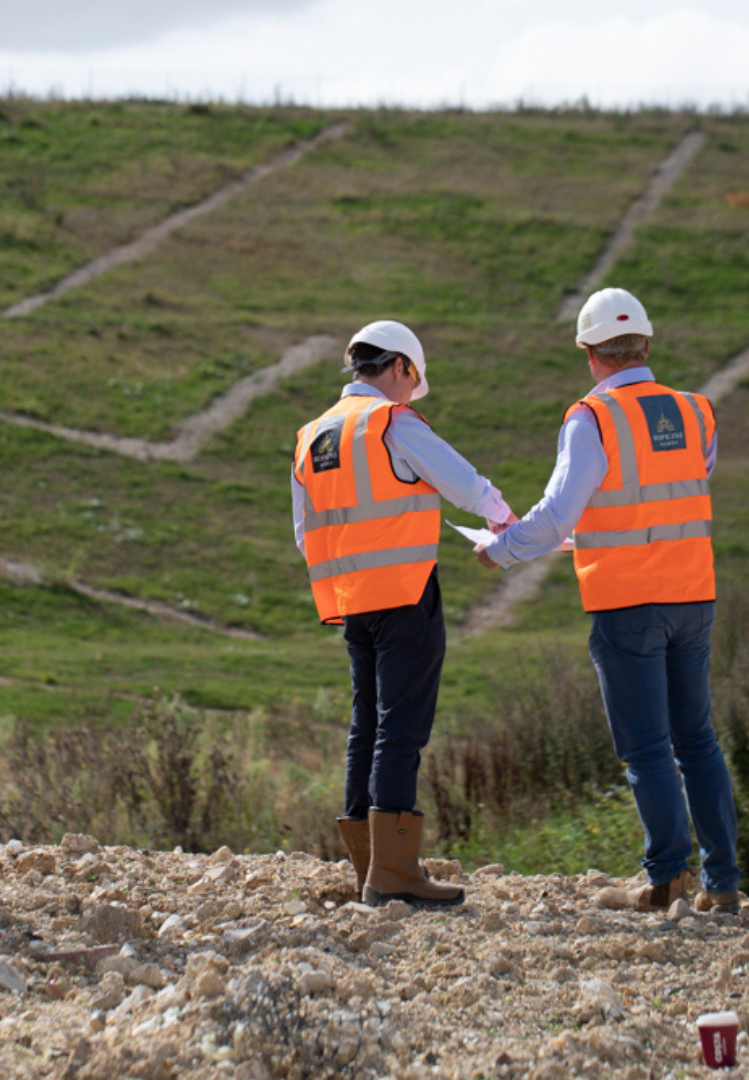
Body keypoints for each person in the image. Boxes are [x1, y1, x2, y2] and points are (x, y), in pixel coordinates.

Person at [475, 287, 740, 914]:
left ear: (589, 353)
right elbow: (669, 495)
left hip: (627, 604)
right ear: (646, 344)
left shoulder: (591, 417)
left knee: (647, 746)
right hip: (693, 595)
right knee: (697, 738)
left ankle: (665, 878)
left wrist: (501, 549)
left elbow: (559, 510)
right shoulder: (697, 411)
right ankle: (723, 883)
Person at [294, 320, 514, 908]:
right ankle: (393, 873)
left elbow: (304, 533)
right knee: (402, 726)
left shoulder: (312, 437)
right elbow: (463, 484)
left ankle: (370, 866)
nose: (409, 393)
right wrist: (502, 518)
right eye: (410, 381)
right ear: (399, 368)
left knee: (366, 722)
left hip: (351, 602)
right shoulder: (391, 421)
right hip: (406, 592)